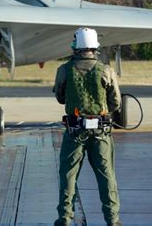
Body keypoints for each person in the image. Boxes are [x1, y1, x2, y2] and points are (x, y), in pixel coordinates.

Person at [53, 28, 122, 226]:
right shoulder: (106, 70)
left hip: (75, 132)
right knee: (106, 177)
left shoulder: (64, 70)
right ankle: (112, 220)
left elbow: (60, 97)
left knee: (68, 176)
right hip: (100, 133)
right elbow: (115, 102)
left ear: (76, 46)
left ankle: (65, 219)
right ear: (94, 47)